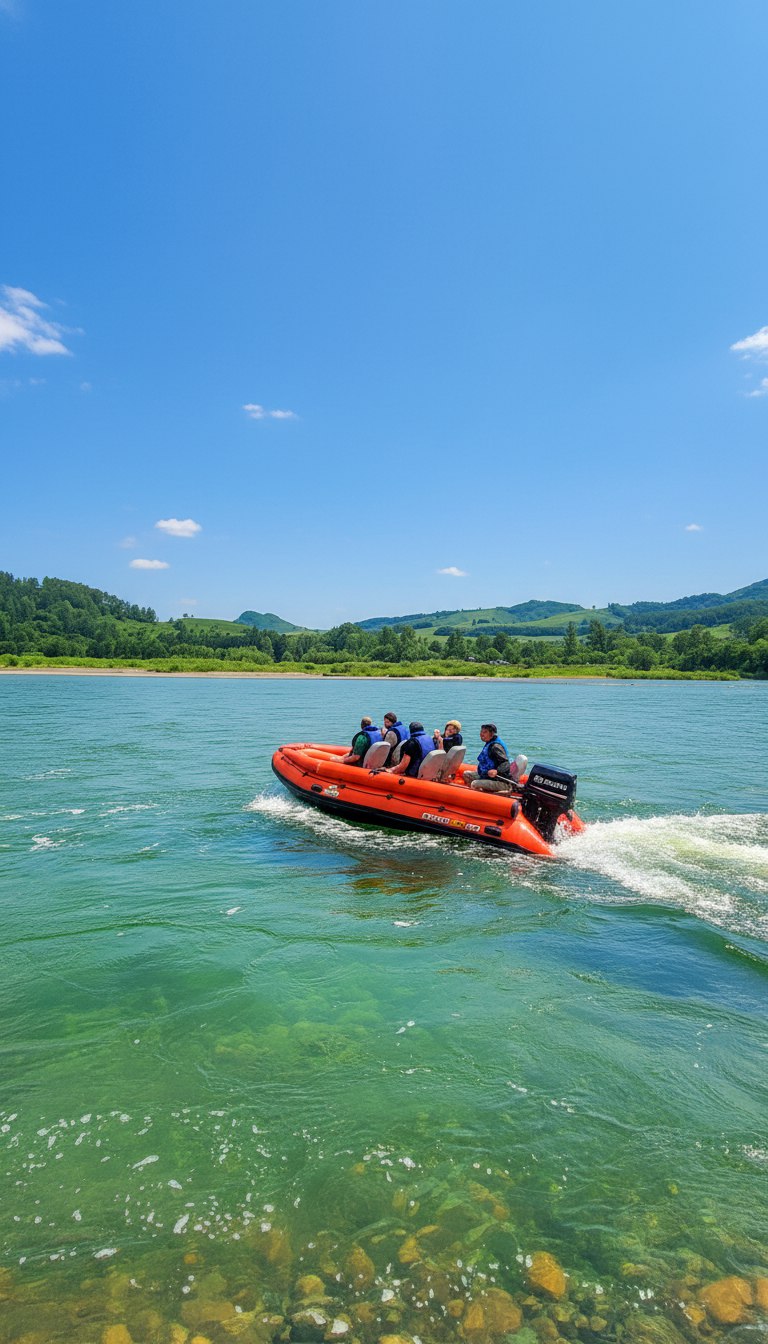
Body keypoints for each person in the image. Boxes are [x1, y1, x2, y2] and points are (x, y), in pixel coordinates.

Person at [464, 723, 519, 793]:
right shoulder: (490, 742)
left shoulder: (495, 747)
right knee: (467, 774)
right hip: (488, 776)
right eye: (481, 732)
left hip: (501, 781)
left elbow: (506, 763)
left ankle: (483, 799)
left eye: (485, 732)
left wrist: (497, 771)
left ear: (492, 734)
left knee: (474, 783)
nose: (481, 734)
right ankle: (483, 794)